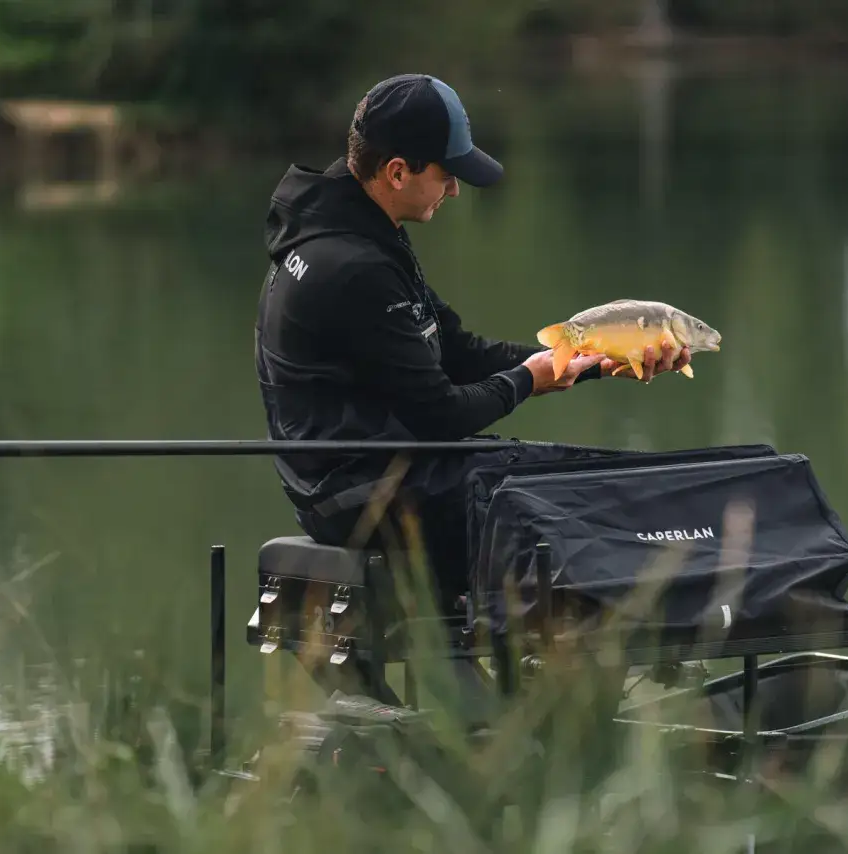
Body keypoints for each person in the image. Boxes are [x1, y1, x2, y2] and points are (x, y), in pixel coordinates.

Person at [255, 73, 690, 609]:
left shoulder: (356, 231)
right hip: (362, 498)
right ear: (397, 172)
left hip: (373, 478)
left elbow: (458, 353)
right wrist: (526, 381)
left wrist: (594, 359)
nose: (456, 190)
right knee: (588, 493)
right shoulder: (352, 267)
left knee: (586, 475)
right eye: (446, 175)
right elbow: (441, 415)